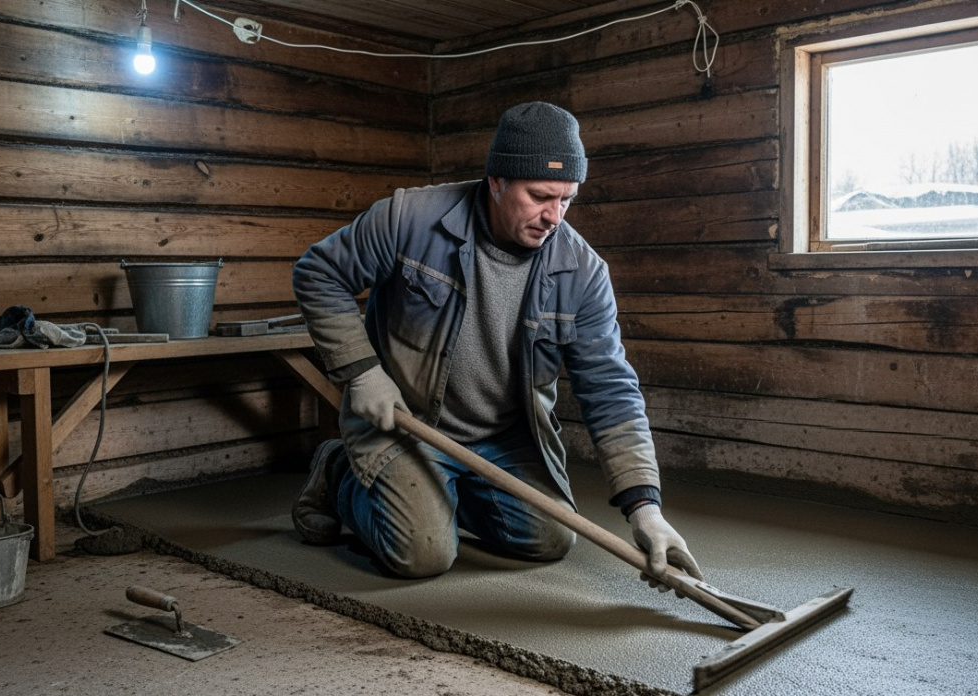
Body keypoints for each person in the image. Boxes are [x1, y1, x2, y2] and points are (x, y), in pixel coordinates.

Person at [291, 101, 703, 590]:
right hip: (410, 423)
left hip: (504, 440)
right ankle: (339, 471)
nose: (554, 216)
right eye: (540, 196)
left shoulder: (582, 271)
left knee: (550, 540)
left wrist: (646, 510)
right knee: (420, 556)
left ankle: (431, 496)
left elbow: (610, 389)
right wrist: (361, 372)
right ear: (497, 181)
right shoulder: (411, 219)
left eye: (567, 199)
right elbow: (319, 273)